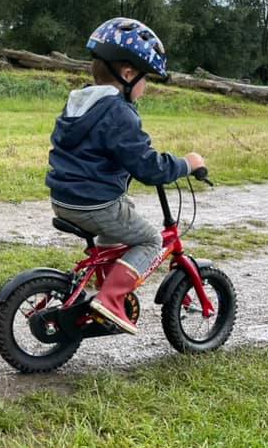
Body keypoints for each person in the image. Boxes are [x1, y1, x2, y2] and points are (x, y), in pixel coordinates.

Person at [45, 17, 204, 335]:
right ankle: (111, 300)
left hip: (65, 199)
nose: (146, 87)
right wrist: (186, 164)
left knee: (114, 236)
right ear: (128, 74)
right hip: (96, 203)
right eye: (146, 78)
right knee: (150, 240)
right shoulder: (119, 113)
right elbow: (148, 168)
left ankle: (103, 293)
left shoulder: (80, 102)